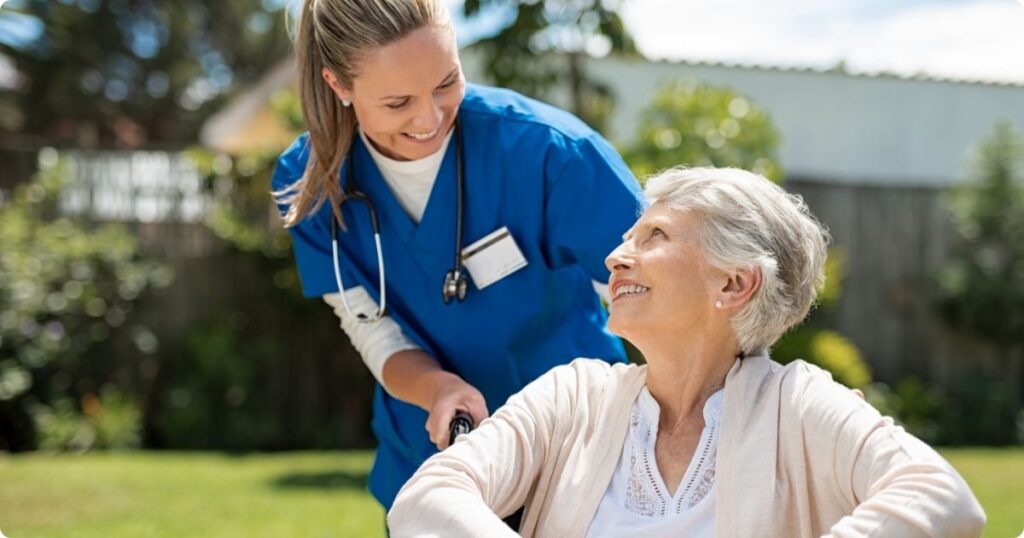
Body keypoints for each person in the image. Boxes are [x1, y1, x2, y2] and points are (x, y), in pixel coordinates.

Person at [387, 167, 987, 537]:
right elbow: (427, 501)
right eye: (627, 237)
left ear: (733, 284)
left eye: (654, 237)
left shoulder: (799, 404)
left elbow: (943, 499)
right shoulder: (574, 395)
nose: (616, 256)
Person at [270, 0, 643, 510]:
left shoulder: (553, 154)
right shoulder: (308, 184)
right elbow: (373, 329)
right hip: (433, 462)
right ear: (339, 86)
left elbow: (658, 299)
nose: (430, 118)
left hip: (576, 453)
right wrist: (437, 389)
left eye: (446, 82)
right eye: (398, 103)